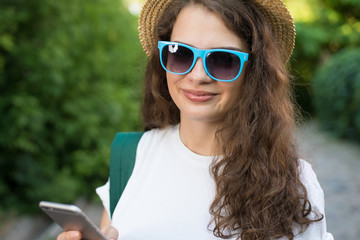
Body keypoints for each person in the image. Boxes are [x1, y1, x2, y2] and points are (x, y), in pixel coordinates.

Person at [58, 0, 334, 239]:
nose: (198, 75)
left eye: (223, 59)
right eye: (180, 53)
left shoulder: (293, 184)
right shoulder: (130, 158)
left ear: (254, 72)